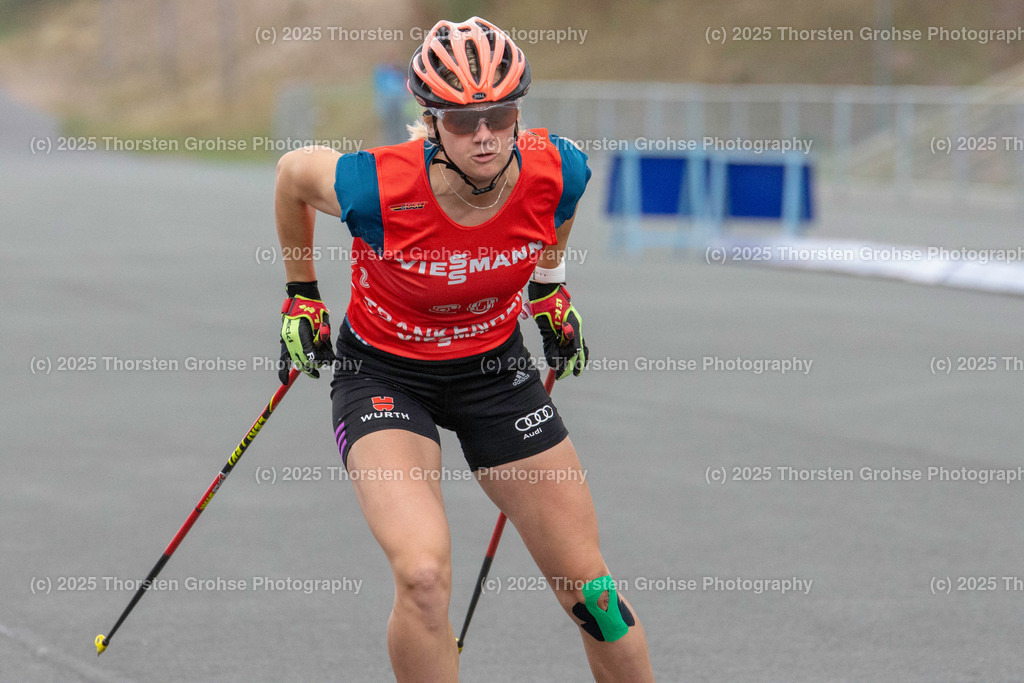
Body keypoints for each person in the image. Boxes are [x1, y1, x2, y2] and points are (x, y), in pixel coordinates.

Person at [273, 17, 655, 682]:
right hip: (385, 375)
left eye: (499, 115)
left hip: (493, 372)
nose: (484, 135)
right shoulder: (375, 187)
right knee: (422, 575)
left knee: (593, 593)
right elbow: (292, 176)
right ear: (429, 123)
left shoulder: (557, 167)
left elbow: (557, 213)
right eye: (460, 121)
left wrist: (549, 289)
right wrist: (302, 293)